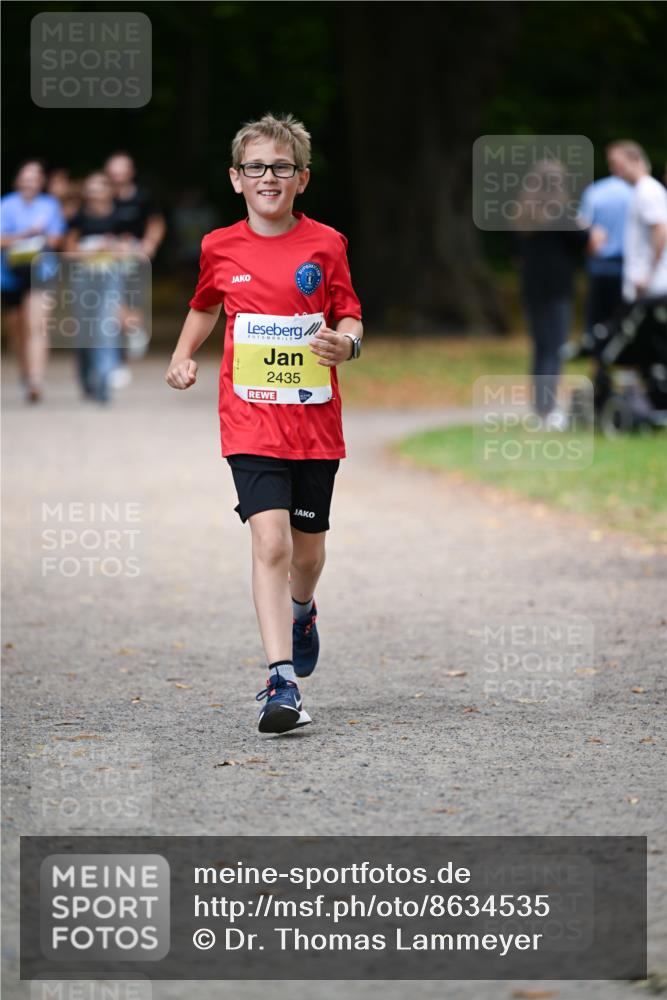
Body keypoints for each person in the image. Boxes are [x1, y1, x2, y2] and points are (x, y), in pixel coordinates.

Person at [165, 113, 363, 734]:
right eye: (256, 167)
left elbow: (350, 316)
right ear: (236, 178)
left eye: (281, 167)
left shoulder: (327, 244)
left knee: (307, 554)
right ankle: (281, 681)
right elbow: (205, 304)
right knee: (269, 542)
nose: (268, 177)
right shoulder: (220, 246)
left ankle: (302, 611)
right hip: (249, 421)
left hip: (314, 426)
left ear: (301, 179)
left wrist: (346, 346)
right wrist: (181, 353)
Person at [513, 160, 588, 428]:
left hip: (532, 288)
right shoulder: (563, 213)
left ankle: (538, 410)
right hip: (557, 288)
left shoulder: (524, 212)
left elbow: (517, 254)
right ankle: (549, 410)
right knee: (555, 349)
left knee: (540, 348)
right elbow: (584, 242)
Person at [0, 160, 66, 402]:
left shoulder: (50, 206)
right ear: (17, 181)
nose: (29, 183)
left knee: (37, 325)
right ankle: (26, 373)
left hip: (42, 272)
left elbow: (57, 239)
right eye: (25, 178)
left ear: (41, 182)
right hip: (9, 273)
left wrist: (43, 237)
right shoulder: (5, 205)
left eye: (34, 178)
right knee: (17, 331)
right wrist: (25, 235)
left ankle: (36, 379)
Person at [65, 172, 128, 404]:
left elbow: (128, 247)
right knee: (85, 330)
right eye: (90, 188)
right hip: (83, 278)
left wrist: (115, 248)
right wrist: (89, 251)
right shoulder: (78, 217)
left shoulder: (119, 217)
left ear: (108, 189)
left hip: (111, 278)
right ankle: (85, 377)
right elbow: (68, 250)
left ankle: (103, 382)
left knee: (105, 328)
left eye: (99, 187)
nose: (94, 192)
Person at [577, 143, 633, 352]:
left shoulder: (595, 192)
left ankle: (599, 371)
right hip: (629, 270)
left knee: (597, 325)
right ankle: (630, 373)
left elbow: (583, 228)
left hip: (599, 267)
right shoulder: (638, 192)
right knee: (627, 324)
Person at [609, 141, 667, 303]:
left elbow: (661, 230)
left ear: (635, 160)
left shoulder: (648, 191)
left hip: (652, 287)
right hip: (647, 286)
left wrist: (647, 274)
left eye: (616, 163)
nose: (613, 169)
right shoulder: (641, 190)